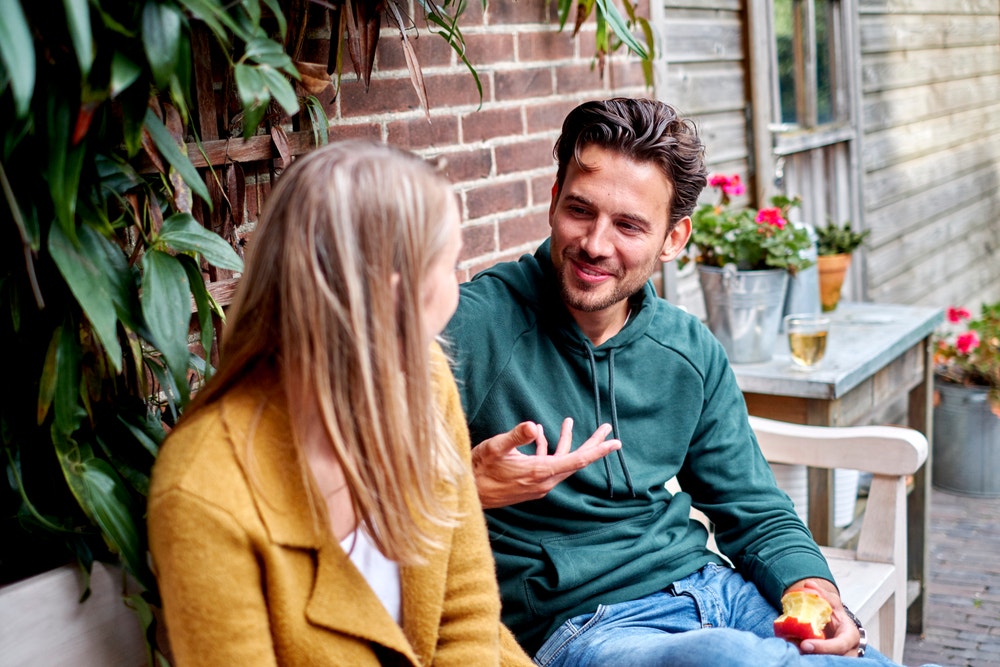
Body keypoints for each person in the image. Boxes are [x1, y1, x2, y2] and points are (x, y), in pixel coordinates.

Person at [444, 98, 941, 667]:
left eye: (629, 225)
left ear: (673, 240)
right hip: (583, 626)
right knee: (733, 659)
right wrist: (468, 483)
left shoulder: (687, 348)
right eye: (580, 211)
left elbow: (752, 506)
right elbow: (353, 484)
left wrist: (813, 587)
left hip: (717, 592)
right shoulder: (473, 325)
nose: (596, 244)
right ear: (554, 200)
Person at [147, 140, 533, 666]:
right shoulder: (205, 491)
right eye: (450, 264)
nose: (459, 285)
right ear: (396, 295)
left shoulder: (423, 380)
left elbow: (465, 612)